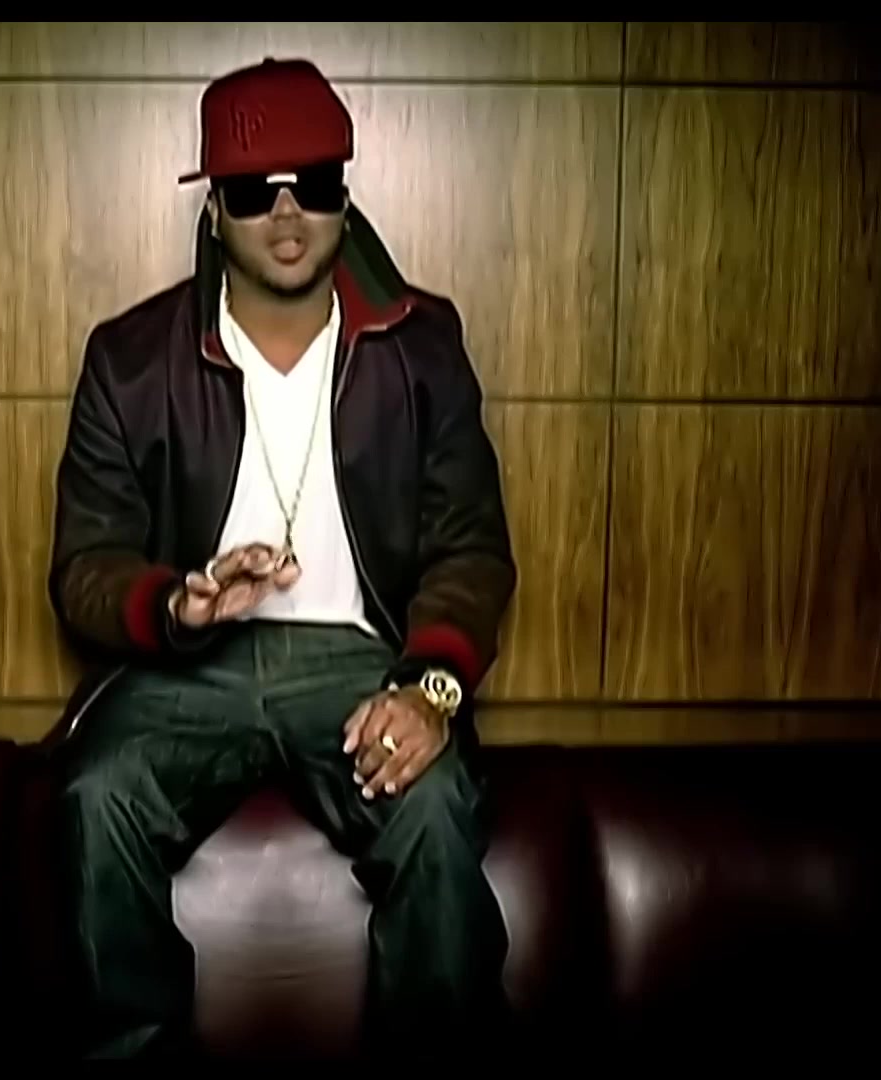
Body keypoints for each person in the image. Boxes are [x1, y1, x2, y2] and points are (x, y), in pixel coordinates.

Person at [46, 57, 517, 1060]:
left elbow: (471, 547)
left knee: (434, 804)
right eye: (257, 191)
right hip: (188, 672)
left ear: (346, 195)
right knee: (97, 795)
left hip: (364, 660)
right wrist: (177, 605)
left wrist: (430, 690)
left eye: (317, 183)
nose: (290, 214)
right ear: (215, 210)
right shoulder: (131, 359)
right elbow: (85, 565)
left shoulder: (422, 346)